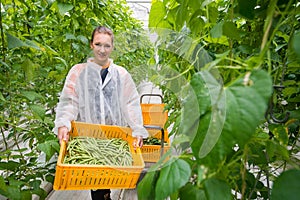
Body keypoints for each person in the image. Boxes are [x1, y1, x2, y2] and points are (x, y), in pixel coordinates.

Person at [53, 26, 148, 200]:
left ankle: (105, 195)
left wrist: (137, 130)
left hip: (113, 135)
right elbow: (69, 100)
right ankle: (103, 197)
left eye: (107, 45)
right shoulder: (78, 71)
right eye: (98, 44)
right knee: (94, 177)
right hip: (87, 134)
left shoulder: (121, 74)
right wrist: (63, 123)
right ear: (91, 45)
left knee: (107, 175)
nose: (102, 50)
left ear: (112, 47)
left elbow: (131, 104)